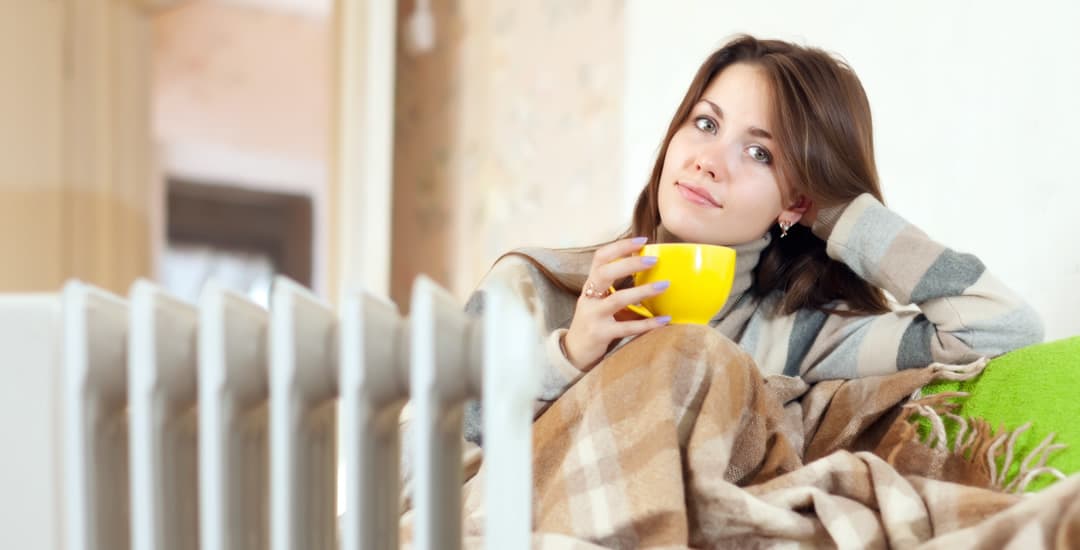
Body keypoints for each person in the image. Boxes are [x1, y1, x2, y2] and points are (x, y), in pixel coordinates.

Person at [460, 34, 1043, 445]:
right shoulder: (531, 283)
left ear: (796, 200)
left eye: (760, 152)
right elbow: (433, 450)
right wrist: (569, 356)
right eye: (705, 124)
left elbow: (998, 327)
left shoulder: (798, 337)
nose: (710, 162)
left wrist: (838, 214)